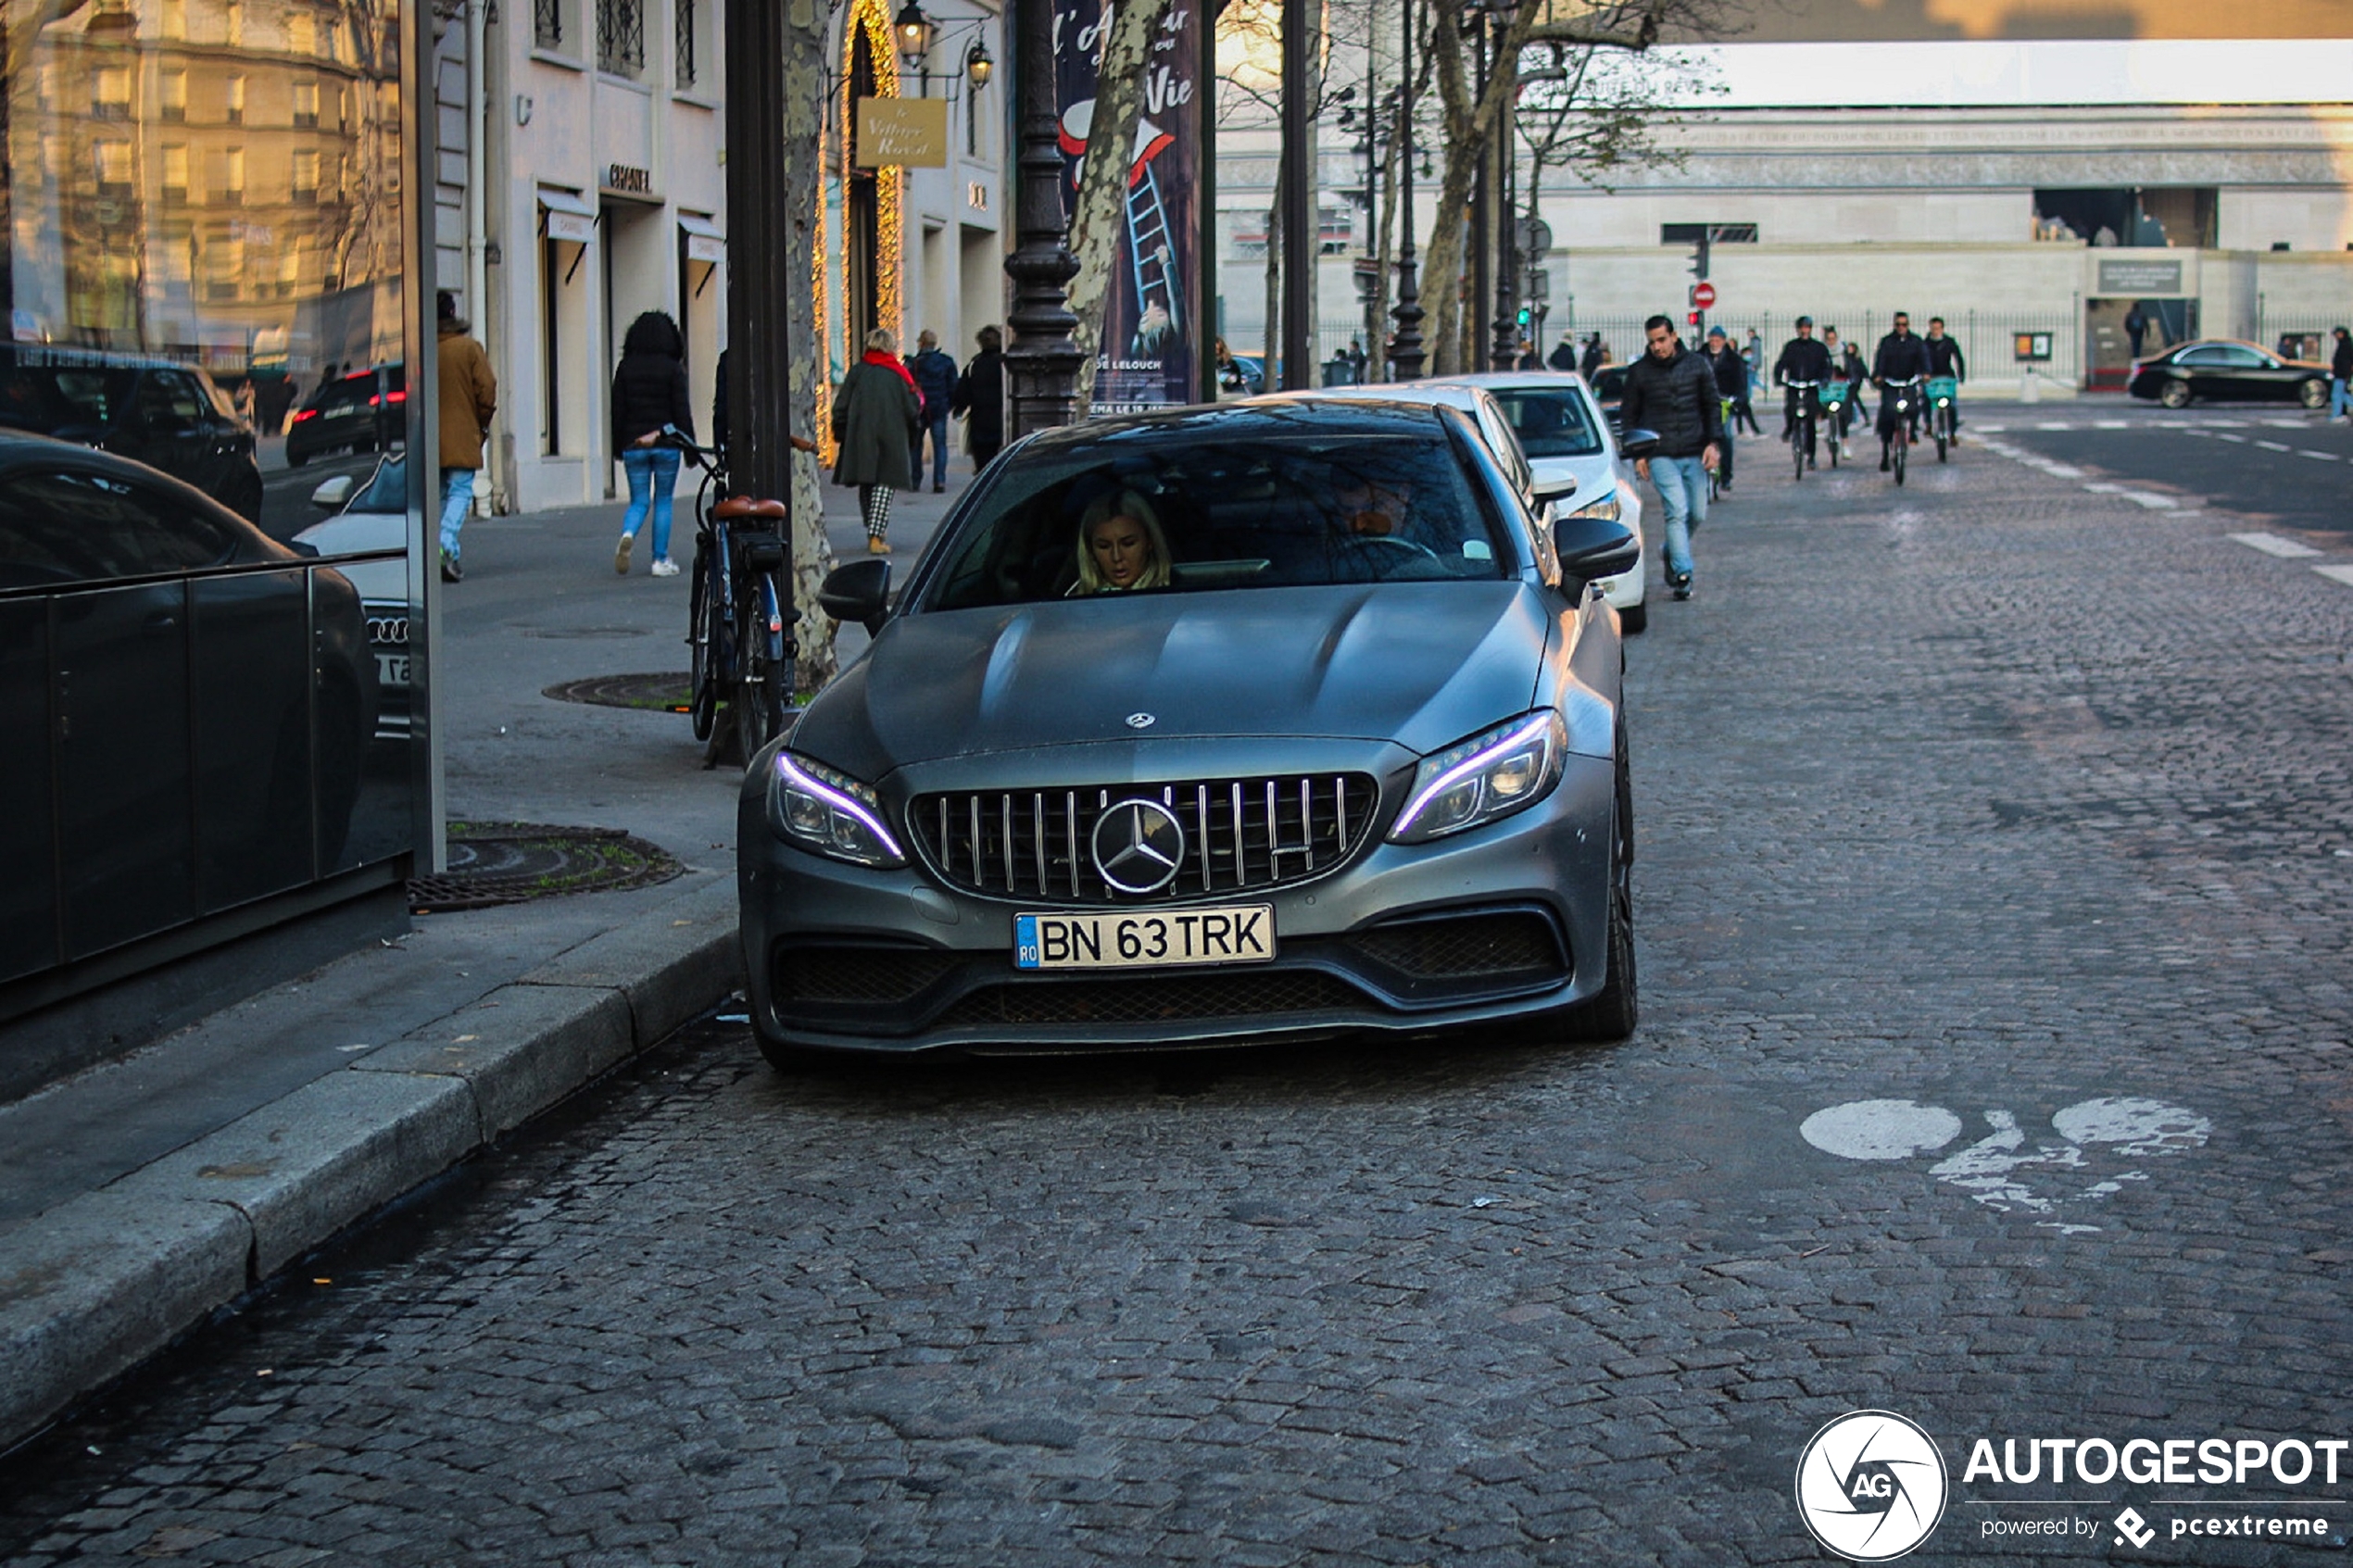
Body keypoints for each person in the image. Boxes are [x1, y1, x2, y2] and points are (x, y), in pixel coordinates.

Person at [1617, 315, 1721, 602]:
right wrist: (1638, 454)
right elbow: (1630, 415)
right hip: (1660, 452)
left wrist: (1714, 444)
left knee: (1697, 513)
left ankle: (1672, 551)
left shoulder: (1697, 365)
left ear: (1674, 337)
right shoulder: (1640, 372)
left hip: (1694, 449)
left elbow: (1712, 405)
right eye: (1652, 342)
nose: (1657, 347)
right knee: (1676, 510)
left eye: (1661, 340)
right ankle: (1683, 574)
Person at [609, 310, 695, 578]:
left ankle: (628, 532)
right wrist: (690, 448)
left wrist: (618, 445)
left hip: (634, 445)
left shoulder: (625, 368)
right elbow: (682, 411)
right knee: (664, 500)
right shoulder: (673, 369)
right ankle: (660, 559)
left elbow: (618, 411)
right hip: (667, 444)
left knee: (639, 501)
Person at [833, 327, 920, 554]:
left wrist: (840, 432)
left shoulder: (857, 372)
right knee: (885, 485)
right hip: (892, 436)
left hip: (860, 436)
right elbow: (912, 409)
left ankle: (873, 528)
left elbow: (841, 405)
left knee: (867, 482)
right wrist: (914, 432)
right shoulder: (899, 374)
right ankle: (875, 535)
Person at [434, 291, 497, 584]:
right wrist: (481, 424)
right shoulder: (468, 347)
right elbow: (487, 389)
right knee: (460, 491)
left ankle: (443, 549)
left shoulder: (422, 348)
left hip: (428, 437)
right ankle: (445, 544)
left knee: (439, 495)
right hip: (462, 432)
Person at [1069, 491, 1170, 594]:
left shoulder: (1176, 597)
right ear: (1090, 549)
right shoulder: (1072, 604)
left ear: (1149, 541)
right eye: (1104, 546)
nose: (1117, 557)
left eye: (1128, 544)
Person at [1871, 311, 1932, 470]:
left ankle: (1912, 431)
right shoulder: (1887, 342)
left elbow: (1924, 358)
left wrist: (1926, 373)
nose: (1901, 328)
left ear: (1908, 325)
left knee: (1914, 407)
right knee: (1887, 414)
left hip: (1908, 382)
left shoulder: (1916, 342)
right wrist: (1878, 375)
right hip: (1891, 383)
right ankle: (1885, 451)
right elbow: (1880, 359)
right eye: (1898, 324)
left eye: (1904, 325)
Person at [1772, 315, 1833, 468]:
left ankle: (1811, 455)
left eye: (1807, 327)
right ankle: (1790, 429)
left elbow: (1826, 367)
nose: (1804, 330)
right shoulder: (1791, 347)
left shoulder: (1818, 348)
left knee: (1811, 420)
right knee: (1790, 409)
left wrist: (1824, 379)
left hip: (1811, 386)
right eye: (1802, 328)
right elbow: (1781, 364)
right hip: (1794, 385)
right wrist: (1778, 378)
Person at [904, 329, 958, 494]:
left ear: (921, 343)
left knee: (915, 446)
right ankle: (939, 480)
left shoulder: (913, 363)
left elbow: (906, 386)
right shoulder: (946, 362)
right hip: (939, 408)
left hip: (918, 409)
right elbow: (953, 386)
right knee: (940, 446)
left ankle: (915, 480)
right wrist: (949, 405)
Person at [950, 325, 1006, 471]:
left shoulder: (974, 365)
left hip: (979, 419)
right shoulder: (1005, 364)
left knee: (982, 459)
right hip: (1001, 418)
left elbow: (963, 393)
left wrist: (958, 409)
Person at [1702, 327, 1745, 491]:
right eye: (1712, 340)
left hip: (1725, 404)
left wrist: (1737, 399)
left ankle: (1726, 476)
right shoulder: (1700, 357)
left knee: (1726, 436)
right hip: (1705, 404)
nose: (1714, 343)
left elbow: (1741, 384)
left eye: (1717, 340)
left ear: (1724, 341)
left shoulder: (1734, 360)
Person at [1924, 317, 1967, 442]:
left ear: (1942, 329)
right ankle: (1928, 424)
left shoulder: (1949, 342)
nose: (1935, 331)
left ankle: (1952, 432)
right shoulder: (1925, 343)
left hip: (1947, 375)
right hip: (1931, 377)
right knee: (1926, 400)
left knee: (1952, 404)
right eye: (1933, 328)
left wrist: (1961, 374)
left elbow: (1958, 358)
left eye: (1938, 328)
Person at [2330, 326, 2352, 422]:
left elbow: (2345, 361)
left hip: (2342, 373)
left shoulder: (2345, 346)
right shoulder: (2345, 344)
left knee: (2337, 394)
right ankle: (2337, 414)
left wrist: (2345, 372)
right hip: (2342, 373)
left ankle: (2337, 414)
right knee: (2342, 394)